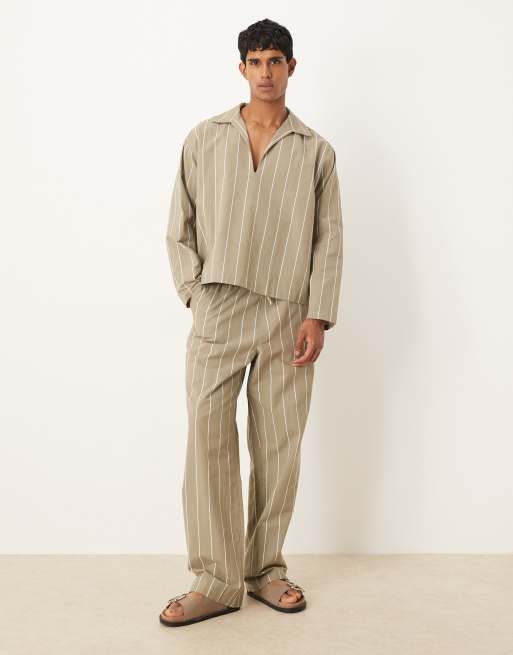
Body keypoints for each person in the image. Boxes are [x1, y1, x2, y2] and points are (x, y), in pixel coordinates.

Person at [160, 18, 343, 627]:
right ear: (242, 68)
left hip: (287, 314)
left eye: (276, 61)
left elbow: (328, 239)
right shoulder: (204, 138)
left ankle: (265, 569)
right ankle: (214, 579)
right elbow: (179, 224)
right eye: (256, 61)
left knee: (278, 446)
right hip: (219, 308)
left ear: (292, 67)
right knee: (207, 440)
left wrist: (317, 314)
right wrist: (195, 293)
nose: (266, 72)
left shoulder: (316, 151)